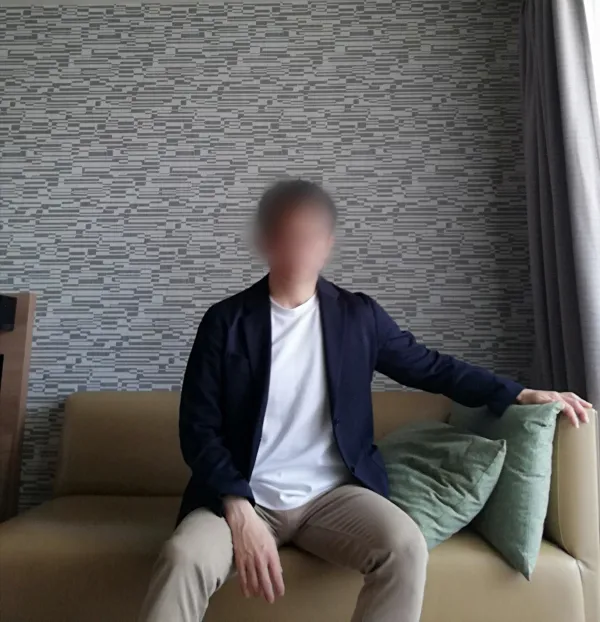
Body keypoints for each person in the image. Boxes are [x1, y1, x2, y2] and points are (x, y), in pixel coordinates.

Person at [139, 179, 592, 622]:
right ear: (266, 241)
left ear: (327, 245)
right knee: (183, 556)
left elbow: (431, 367)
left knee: (405, 547)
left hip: (331, 497)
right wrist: (239, 511)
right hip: (244, 494)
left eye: (309, 237)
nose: (298, 249)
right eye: (286, 236)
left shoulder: (357, 317)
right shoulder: (225, 322)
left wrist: (518, 392)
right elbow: (198, 429)